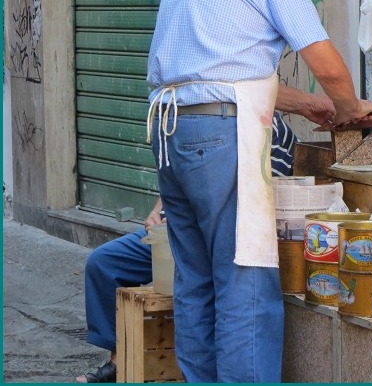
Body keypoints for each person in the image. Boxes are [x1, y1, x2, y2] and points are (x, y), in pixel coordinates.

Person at [145, 0, 372, 383]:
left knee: (196, 278)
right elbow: (327, 63)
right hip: (223, 137)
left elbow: (218, 72)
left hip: (172, 131)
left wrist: (307, 104)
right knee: (246, 276)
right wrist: (349, 110)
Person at [75, 104, 327, 383]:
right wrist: (157, 212)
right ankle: (118, 359)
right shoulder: (191, 116)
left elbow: (256, 194)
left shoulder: (272, 133)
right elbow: (178, 182)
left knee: (212, 288)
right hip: (169, 232)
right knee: (102, 262)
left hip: (216, 234)